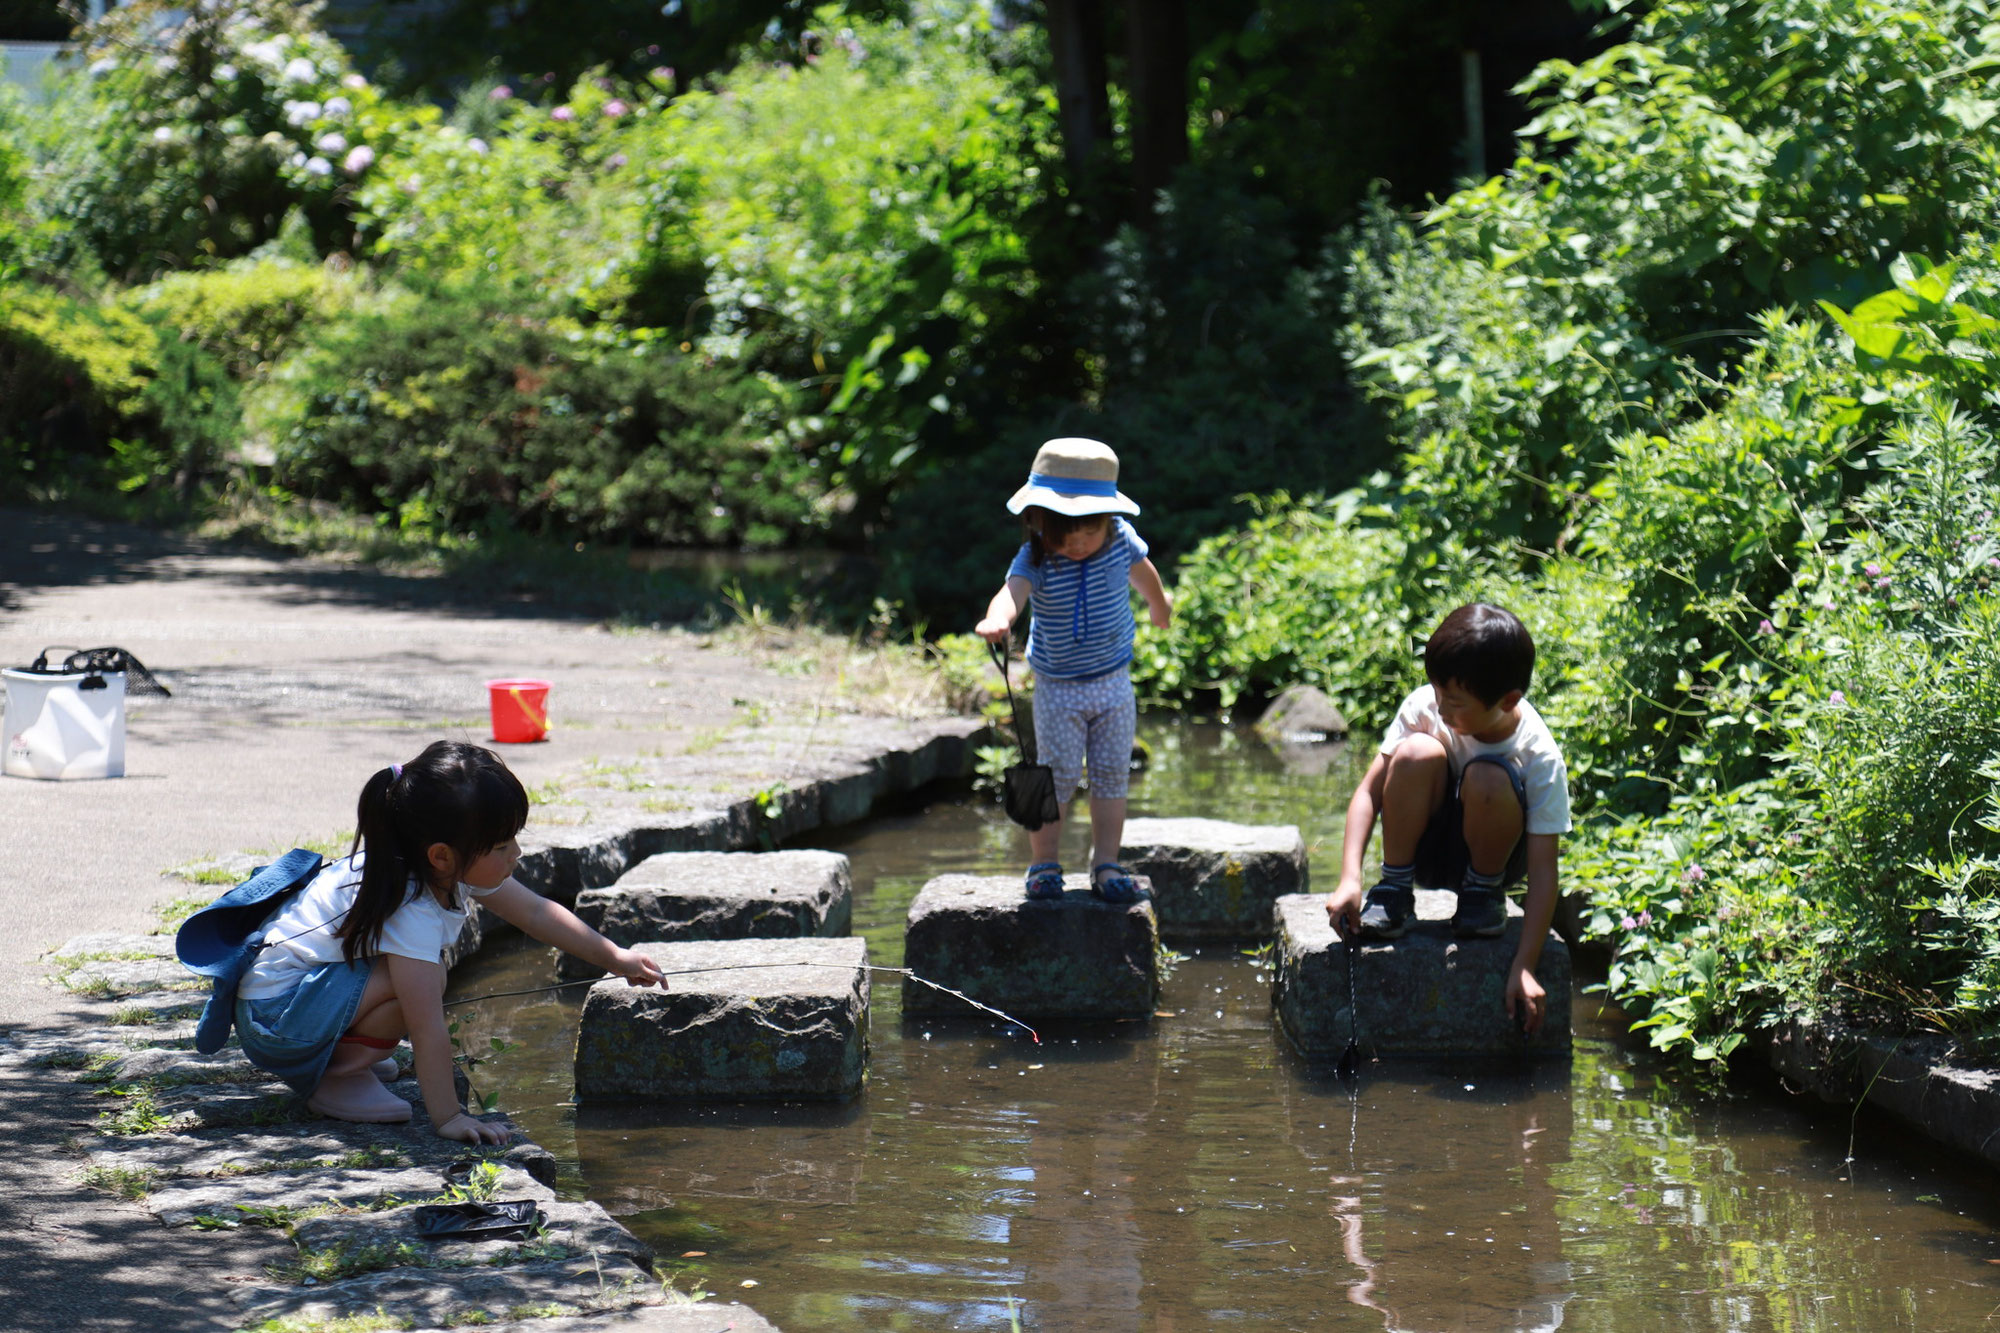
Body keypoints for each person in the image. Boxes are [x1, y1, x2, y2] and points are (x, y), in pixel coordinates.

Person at [234, 739, 664, 1142]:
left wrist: (615, 957)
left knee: (418, 979)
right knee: (423, 985)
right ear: (441, 854)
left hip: (288, 1003)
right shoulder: (411, 906)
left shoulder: (426, 861)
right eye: (500, 845)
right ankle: (333, 1076)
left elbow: (535, 913)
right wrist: (449, 1116)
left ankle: (343, 1052)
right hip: (275, 1023)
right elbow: (426, 1026)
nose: (515, 853)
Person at [1323, 604, 1571, 1033]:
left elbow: (1545, 871)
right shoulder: (1425, 709)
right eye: (1438, 693)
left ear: (1508, 700)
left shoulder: (1538, 754)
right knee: (1417, 751)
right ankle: (1395, 890)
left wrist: (1525, 966)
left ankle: (1481, 898)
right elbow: (1368, 792)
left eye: (1454, 703)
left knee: (1490, 776)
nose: (1440, 709)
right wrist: (1349, 878)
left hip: (1492, 858)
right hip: (1426, 847)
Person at [975, 438, 1173, 902]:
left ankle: (1106, 864)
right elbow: (1013, 591)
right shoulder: (1037, 557)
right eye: (1068, 534)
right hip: (1058, 689)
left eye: (1091, 532)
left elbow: (1146, 573)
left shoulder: (1120, 539)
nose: (1080, 543)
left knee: (1110, 776)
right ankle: (1044, 865)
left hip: (1113, 683)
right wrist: (999, 618)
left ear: (1109, 519)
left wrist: (1159, 607)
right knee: (1057, 777)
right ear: (1039, 521)